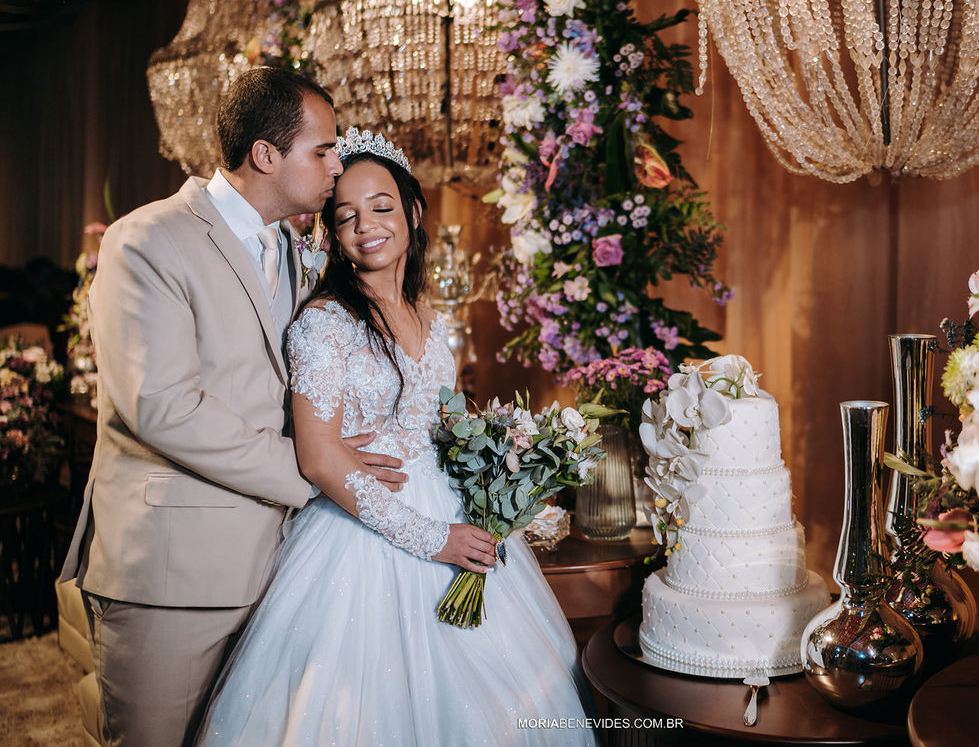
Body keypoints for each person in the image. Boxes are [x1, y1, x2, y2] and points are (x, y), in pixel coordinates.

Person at [197, 129, 597, 746]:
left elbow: (444, 428)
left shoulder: (430, 318)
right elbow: (318, 455)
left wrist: (502, 478)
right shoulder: (324, 324)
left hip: (452, 512)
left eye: (381, 207)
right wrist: (434, 539)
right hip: (362, 536)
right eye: (346, 216)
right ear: (332, 232)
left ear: (412, 212)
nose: (366, 227)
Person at [58, 68, 408, 747]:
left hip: (282, 567)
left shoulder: (297, 253)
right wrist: (315, 468)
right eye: (323, 150)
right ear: (266, 155)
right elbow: (163, 405)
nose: (337, 167)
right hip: (173, 574)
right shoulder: (147, 240)